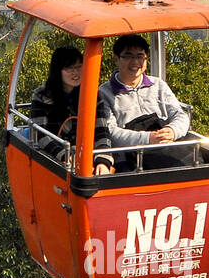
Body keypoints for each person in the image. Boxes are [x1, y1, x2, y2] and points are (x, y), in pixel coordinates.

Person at [98, 34, 191, 170]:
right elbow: (110, 132)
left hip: (166, 147)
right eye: (128, 56)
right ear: (116, 59)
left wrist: (171, 131)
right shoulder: (104, 92)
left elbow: (180, 114)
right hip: (131, 154)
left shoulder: (158, 85)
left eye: (140, 56)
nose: (135, 62)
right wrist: (148, 139)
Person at [29, 45, 115, 174]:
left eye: (79, 67)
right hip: (56, 156)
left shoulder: (92, 95)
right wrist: (65, 155)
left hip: (85, 155)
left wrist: (103, 160)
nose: (75, 73)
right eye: (69, 68)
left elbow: (101, 130)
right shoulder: (42, 96)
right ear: (58, 70)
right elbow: (40, 134)